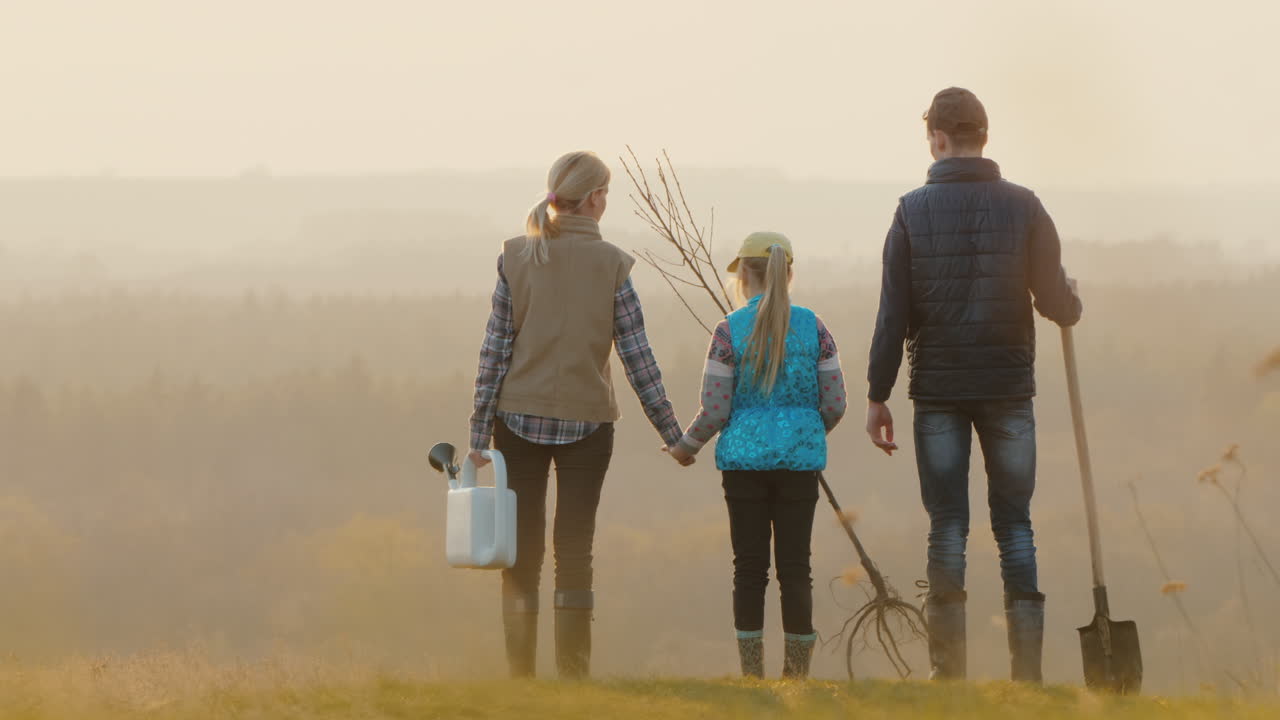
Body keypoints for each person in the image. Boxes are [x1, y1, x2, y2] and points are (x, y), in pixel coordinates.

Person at [865, 88, 1083, 684]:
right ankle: (1028, 676)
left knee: (948, 526)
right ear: (984, 137)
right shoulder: (1026, 207)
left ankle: (948, 675)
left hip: (937, 388)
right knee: (1015, 523)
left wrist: (877, 393)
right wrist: (1072, 303)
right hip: (1009, 386)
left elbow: (893, 314)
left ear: (936, 140)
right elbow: (1053, 300)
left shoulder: (910, 211)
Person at [469, 150, 688, 679]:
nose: (606, 202)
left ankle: (520, 677)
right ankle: (574, 677)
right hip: (589, 425)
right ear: (593, 198)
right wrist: (673, 434)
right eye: (605, 193)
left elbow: (494, 351)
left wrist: (478, 434)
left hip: (516, 423)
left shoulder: (516, 256)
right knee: (574, 548)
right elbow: (638, 358)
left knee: (522, 552)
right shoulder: (613, 264)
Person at [668, 232, 847, 679]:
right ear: (789, 273)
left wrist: (685, 446)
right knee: (795, 566)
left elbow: (715, 407)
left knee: (749, 568)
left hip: (743, 464)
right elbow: (835, 402)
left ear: (745, 275)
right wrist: (806, 433)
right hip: (799, 463)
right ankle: (796, 675)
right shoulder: (815, 327)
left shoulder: (729, 330)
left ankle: (752, 675)